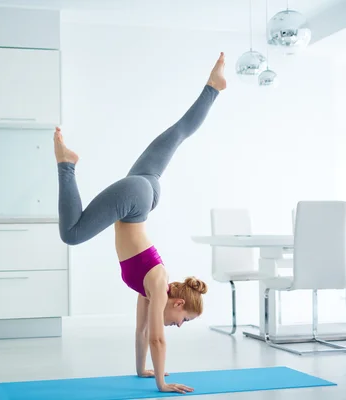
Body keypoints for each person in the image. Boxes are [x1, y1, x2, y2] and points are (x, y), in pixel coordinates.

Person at [53, 52, 227, 394]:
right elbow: (159, 339)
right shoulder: (157, 282)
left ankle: (214, 87)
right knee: (71, 234)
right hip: (136, 200)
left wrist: (142, 370)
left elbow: (143, 333)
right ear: (179, 303)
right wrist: (163, 383)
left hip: (145, 188)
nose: (176, 325)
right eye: (183, 321)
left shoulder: (151, 288)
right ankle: (66, 165)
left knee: (179, 133)